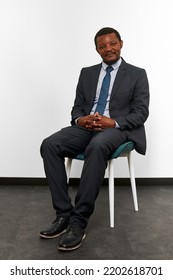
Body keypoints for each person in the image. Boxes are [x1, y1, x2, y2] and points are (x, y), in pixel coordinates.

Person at [40, 27, 149, 251]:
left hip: (117, 129)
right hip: (88, 126)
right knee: (49, 144)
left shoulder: (137, 73)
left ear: (121, 43)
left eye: (112, 44)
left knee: (97, 146)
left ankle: (79, 221)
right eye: (102, 46)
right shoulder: (87, 73)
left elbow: (141, 112)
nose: (108, 49)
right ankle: (63, 214)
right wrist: (82, 120)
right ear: (97, 49)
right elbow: (77, 108)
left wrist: (114, 122)